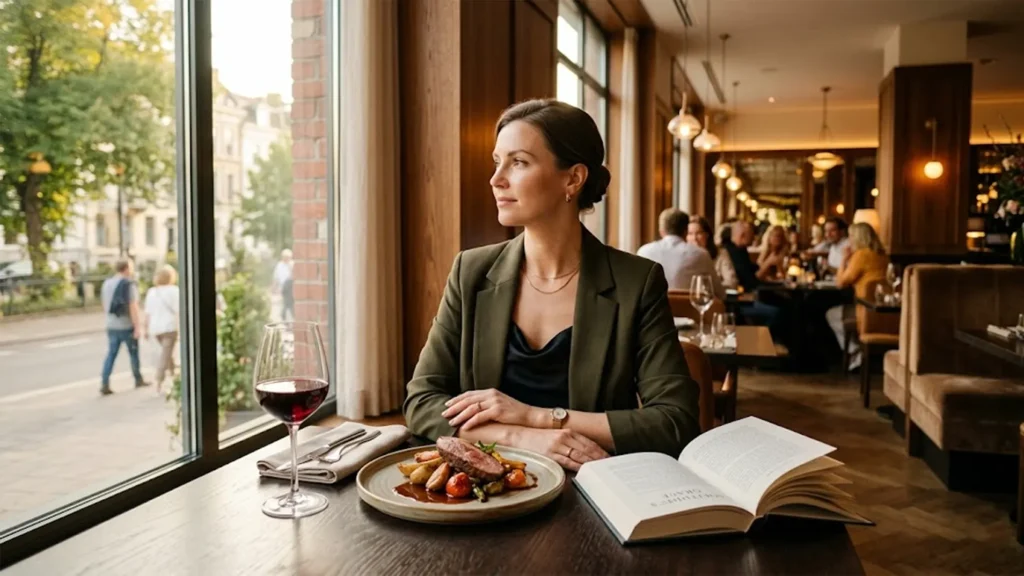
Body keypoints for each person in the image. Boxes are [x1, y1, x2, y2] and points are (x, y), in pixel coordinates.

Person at [404, 99, 700, 470]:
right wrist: (521, 437)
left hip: (589, 490)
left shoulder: (635, 281)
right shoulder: (471, 270)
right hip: (484, 487)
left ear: (573, 179)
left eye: (519, 162)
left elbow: (675, 420)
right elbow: (421, 401)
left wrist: (537, 416)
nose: (497, 179)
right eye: (498, 162)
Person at [825, 223, 890, 370]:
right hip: (881, 310)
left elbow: (841, 283)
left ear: (859, 237)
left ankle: (854, 351)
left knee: (831, 314)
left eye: (851, 236)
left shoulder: (861, 254)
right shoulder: (882, 254)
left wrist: (844, 259)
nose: (849, 239)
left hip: (865, 310)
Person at [637, 208, 723, 299]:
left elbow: (637, 289)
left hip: (652, 312)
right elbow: (719, 293)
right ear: (686, 231)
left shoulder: (644, 251)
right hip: (690, 312)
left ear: (661, 231)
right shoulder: (701, 254)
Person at [100, 259, 149, 395]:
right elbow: (133, 306)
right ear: (126, 268)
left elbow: (105, 304)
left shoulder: (106, 283)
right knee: (133, 354)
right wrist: (137, 326)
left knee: (111, 354)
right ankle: (138, 379)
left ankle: (104, 382)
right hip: (126, 325)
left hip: (111, 325)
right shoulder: (129, 285)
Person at [145, 265, 180, 392]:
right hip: (169, 327)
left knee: (167, 353)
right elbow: (179, 311)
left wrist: (146, 328)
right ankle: (159, 380)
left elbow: (148, 313)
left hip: (156, 328)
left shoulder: (152, 291)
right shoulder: (174, 290)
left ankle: (175, 376)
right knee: (166, 354)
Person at [716, 220, 759, 292]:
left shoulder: (741, 249)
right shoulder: (731, 251)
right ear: (742, 235)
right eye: (752, 234)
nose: (754, 238)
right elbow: (749, 282)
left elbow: (752, 269)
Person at [272, 249, 294, 321]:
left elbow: (293, 276)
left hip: (290, 287)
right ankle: (285, 318)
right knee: (287, 303)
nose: (287, 258)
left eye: (288, 257)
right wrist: (274, 288)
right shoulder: (279, 265)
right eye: (285, 257)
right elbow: (276, 277)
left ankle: (286, 317)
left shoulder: (292, 264)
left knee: (288, 304)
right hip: (283, 288)